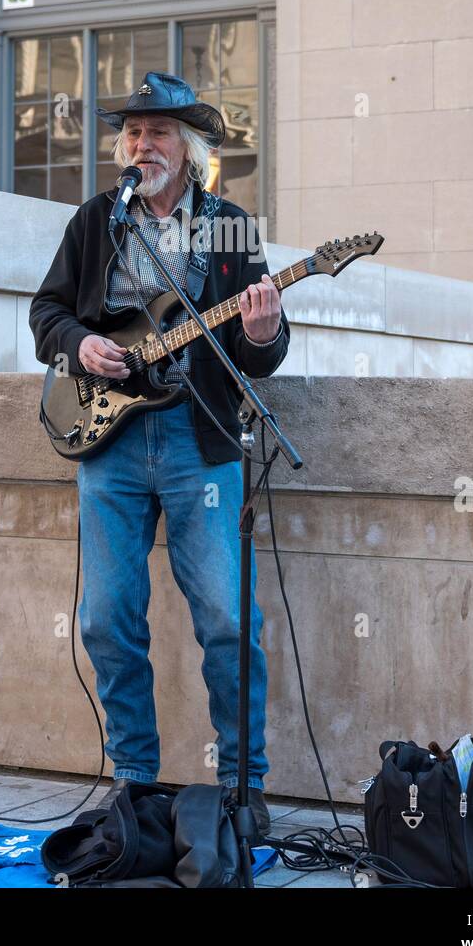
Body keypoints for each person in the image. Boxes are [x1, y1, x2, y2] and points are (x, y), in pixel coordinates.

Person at [28, 72, 290, 835]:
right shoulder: (94, 220)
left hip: (197, 439)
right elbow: (46, 311)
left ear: (190, 151)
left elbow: (257, 355)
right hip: (107, 441)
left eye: (159, 133)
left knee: (226, 618)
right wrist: (80, 345)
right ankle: (135, 783)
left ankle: (243, 786)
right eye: (134, 132)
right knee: (108, 616)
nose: (143, 144)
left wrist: (266, 329)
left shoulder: (229, 227)